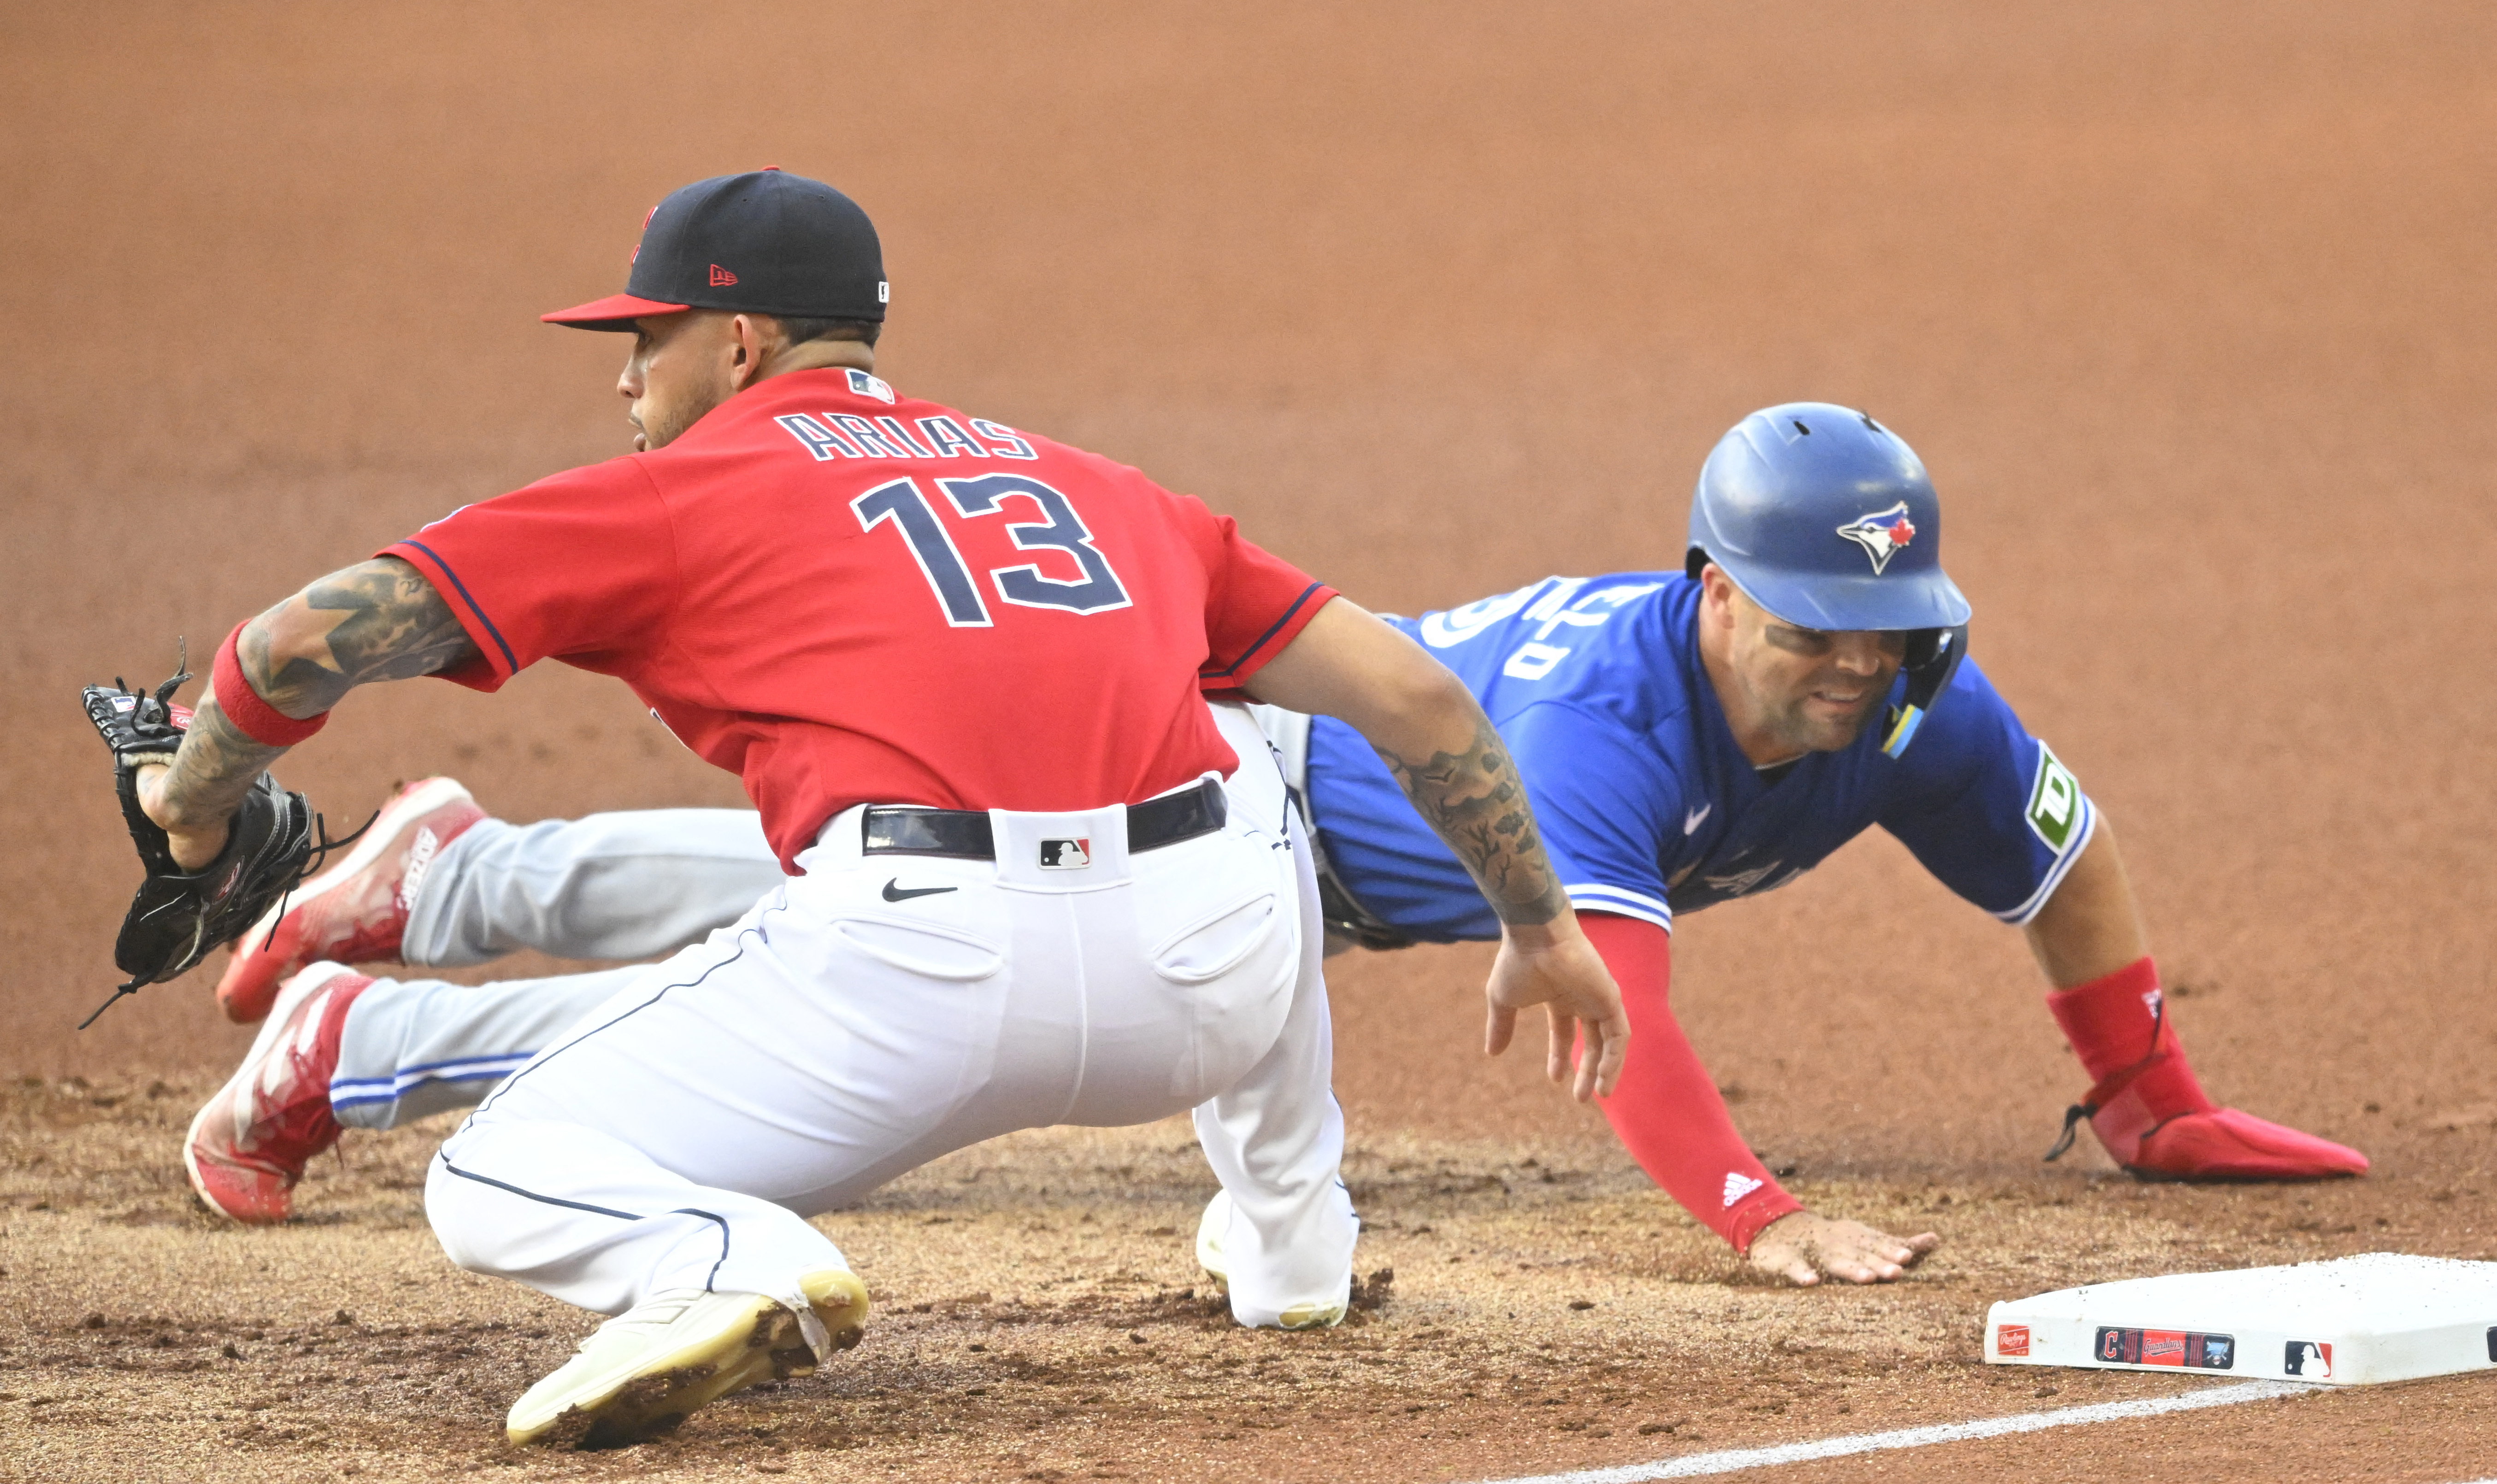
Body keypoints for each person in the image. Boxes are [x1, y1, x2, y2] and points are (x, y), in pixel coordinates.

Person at [193, 401, 2365, 1294]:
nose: (1847, 675)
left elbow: (2060, 862)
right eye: (1809, 630)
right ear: (1709, 584)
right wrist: (1753, 1212)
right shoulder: (1596, 722)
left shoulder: (1909, 699)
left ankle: (442, 887)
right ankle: (417, 942)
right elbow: (1629, 1003)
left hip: (1224, 876)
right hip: (1208, 820)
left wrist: (2149, 1101)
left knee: (795, 899)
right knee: (813, 916)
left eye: (1883, 637)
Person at [136, 168, 1627, 1447]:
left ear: (735, 341)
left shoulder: (675, 491)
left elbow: (296, 642)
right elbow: (1420, 698)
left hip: (915, 1006)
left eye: (642, 343)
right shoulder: (1102, 487)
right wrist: (1540, 923)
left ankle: (734, 1256)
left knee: (493, 1179)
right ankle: (1296, 1249)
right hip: (1203, 999)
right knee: (1239, 763)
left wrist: (193, 800)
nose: (624, 381)